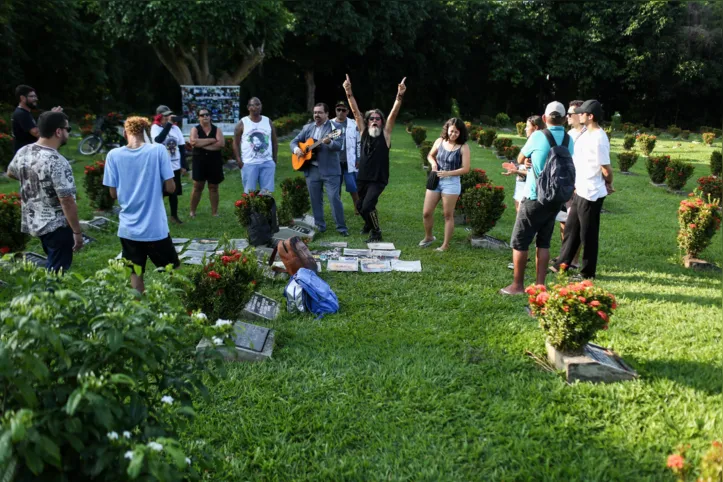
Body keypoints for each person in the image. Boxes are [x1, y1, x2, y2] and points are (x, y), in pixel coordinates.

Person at [499, 101, 575, 295]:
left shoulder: (537, 136)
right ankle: (540, 285)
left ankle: (517, 285)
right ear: (565, 119)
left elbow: (519, 159)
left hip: (534, 196)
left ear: (544, 118)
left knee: (520, 241)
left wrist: (530, 160)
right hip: (555, 199)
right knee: (544, 242)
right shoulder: (568, 140)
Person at [103, 116, 180, 293]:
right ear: (146, 132)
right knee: (174, 270)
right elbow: (170, 186)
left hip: (128, 228)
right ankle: (183, 307)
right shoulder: (158, 150)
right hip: (155, 227)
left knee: (135, 273)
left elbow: (113, 193)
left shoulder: (113, 155)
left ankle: (139, 312)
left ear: (125, 132)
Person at [7, 111, 83, 272]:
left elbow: (11, 172)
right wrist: (76, 231)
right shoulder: (57, 161)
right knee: (56, 272)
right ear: (58, 131)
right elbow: (67, 200)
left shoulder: (24, 151)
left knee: (52, 262)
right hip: (56, 225)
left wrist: (33, 181)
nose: (68, 133)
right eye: (67, 129)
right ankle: (47, 297)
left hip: (35, 220)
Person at [552, 100, 613, 280]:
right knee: (571, 229)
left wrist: (609, 182)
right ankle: (561, 264)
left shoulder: (600, 138)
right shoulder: (585, 134)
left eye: (582, 113)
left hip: (592, 192)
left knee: (588, 234)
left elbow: (606, 168)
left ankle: (587, 273)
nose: (578, 115)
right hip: (581, 188)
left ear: (590, 116)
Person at [343, 74, 406, 242]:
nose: (375, 121)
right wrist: (348, 91)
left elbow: (393, 114)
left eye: (378, 119)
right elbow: (356, 113)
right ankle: (368, 224)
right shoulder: (363, 132)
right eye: (372, 119)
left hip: (378, 178)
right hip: (363, 176)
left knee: (368, 205)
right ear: (368, 121)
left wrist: (399, 95)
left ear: (381, 122)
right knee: (360, 206)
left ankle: (376, 232)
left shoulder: (385, 134)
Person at [290, 103, 348, 236]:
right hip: (312, 170)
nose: (317, 115)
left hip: (330, 170)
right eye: (315, 112)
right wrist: (297, 149)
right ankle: (320, 226)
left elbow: (339, 145)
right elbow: (293, 141)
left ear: (327, 114)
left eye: (320, 112)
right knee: (315, 199)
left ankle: (341, 228)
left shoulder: (336, 128)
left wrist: (330, 142)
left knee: (334, 198)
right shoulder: (307, 128)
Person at [419, 118, 471, 251]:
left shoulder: (463, 147)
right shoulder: (439, 141)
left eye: (457, 132)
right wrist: (434, 164)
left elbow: (465, 169)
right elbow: (430, 155)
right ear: (447, 129)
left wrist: (449, 173)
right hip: (436, 180)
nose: (453, 134)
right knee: (426, 212)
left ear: (461, 133)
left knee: (448, 215)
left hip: (451, 183)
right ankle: (429, 237)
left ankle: (445, 245)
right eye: (451, 131)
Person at [233, 97, 278, 194]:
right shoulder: (242, 123)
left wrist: (274, 159)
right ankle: (251, 210)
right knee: (249, 194)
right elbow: (235, 143)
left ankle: (266, 209)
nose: (257, 107)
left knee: (266, 194)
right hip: (249, 163)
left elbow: (274, 141)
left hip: (267, 162)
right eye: (254, 105)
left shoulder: (267, 121)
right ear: (248, 107)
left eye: (259, 104)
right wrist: (239, 160)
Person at [151, 105, 187, 224]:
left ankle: (174, 216)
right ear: (160, 116)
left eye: (170, 115)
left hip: (174, 165)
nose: (169, 117)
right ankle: (156, 217)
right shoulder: (155, 128)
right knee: (159, 191)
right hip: (160, 165)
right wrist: (168, 125)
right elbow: (158, 140)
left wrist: (183, 165)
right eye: (166, 116)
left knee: (174, 192)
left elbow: (181, 147)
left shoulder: (175, 129)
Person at [503, 115, 544, 212]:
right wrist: (516, 169)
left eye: (527, 126)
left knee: (524, 219)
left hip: (529, 187)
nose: (525, 129)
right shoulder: (531, 141)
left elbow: (535, 172)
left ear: (536, 127)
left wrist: (516, 170)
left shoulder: (538, 144)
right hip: (522, 182)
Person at [189, 108, 225, 217]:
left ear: (210, 117)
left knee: (214, 187)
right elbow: (194, 142)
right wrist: (212, 140)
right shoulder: (195, 129)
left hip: (214, 161)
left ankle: (214, 212)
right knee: (197, 186)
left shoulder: (217, 129)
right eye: (202, 115)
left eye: (207, 114)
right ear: (198, 117)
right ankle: (192, 212)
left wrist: (202, 144)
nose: (205, 117)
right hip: (199, 161)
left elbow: (221, 144)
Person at [11, 85, 63, 154]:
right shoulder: (21, 114)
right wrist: (51, 117)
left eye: (35, 96)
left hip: (28, 153)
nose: (35, 99)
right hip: (25, 155)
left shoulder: (25, 113)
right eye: (32, 96)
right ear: (22, 98)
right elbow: (38, 133)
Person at [331, 100, 360, 214]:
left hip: (349, 161)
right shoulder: (330, 124)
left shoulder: (353, 124)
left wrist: (358, 158)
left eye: (343, 110)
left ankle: (357, 206)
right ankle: (337, 208)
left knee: (352, 185)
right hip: (335, 161)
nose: (341, 112)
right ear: (335, 111)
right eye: (339, 110)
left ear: (348, 111)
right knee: (336, 187)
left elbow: (358, 142)